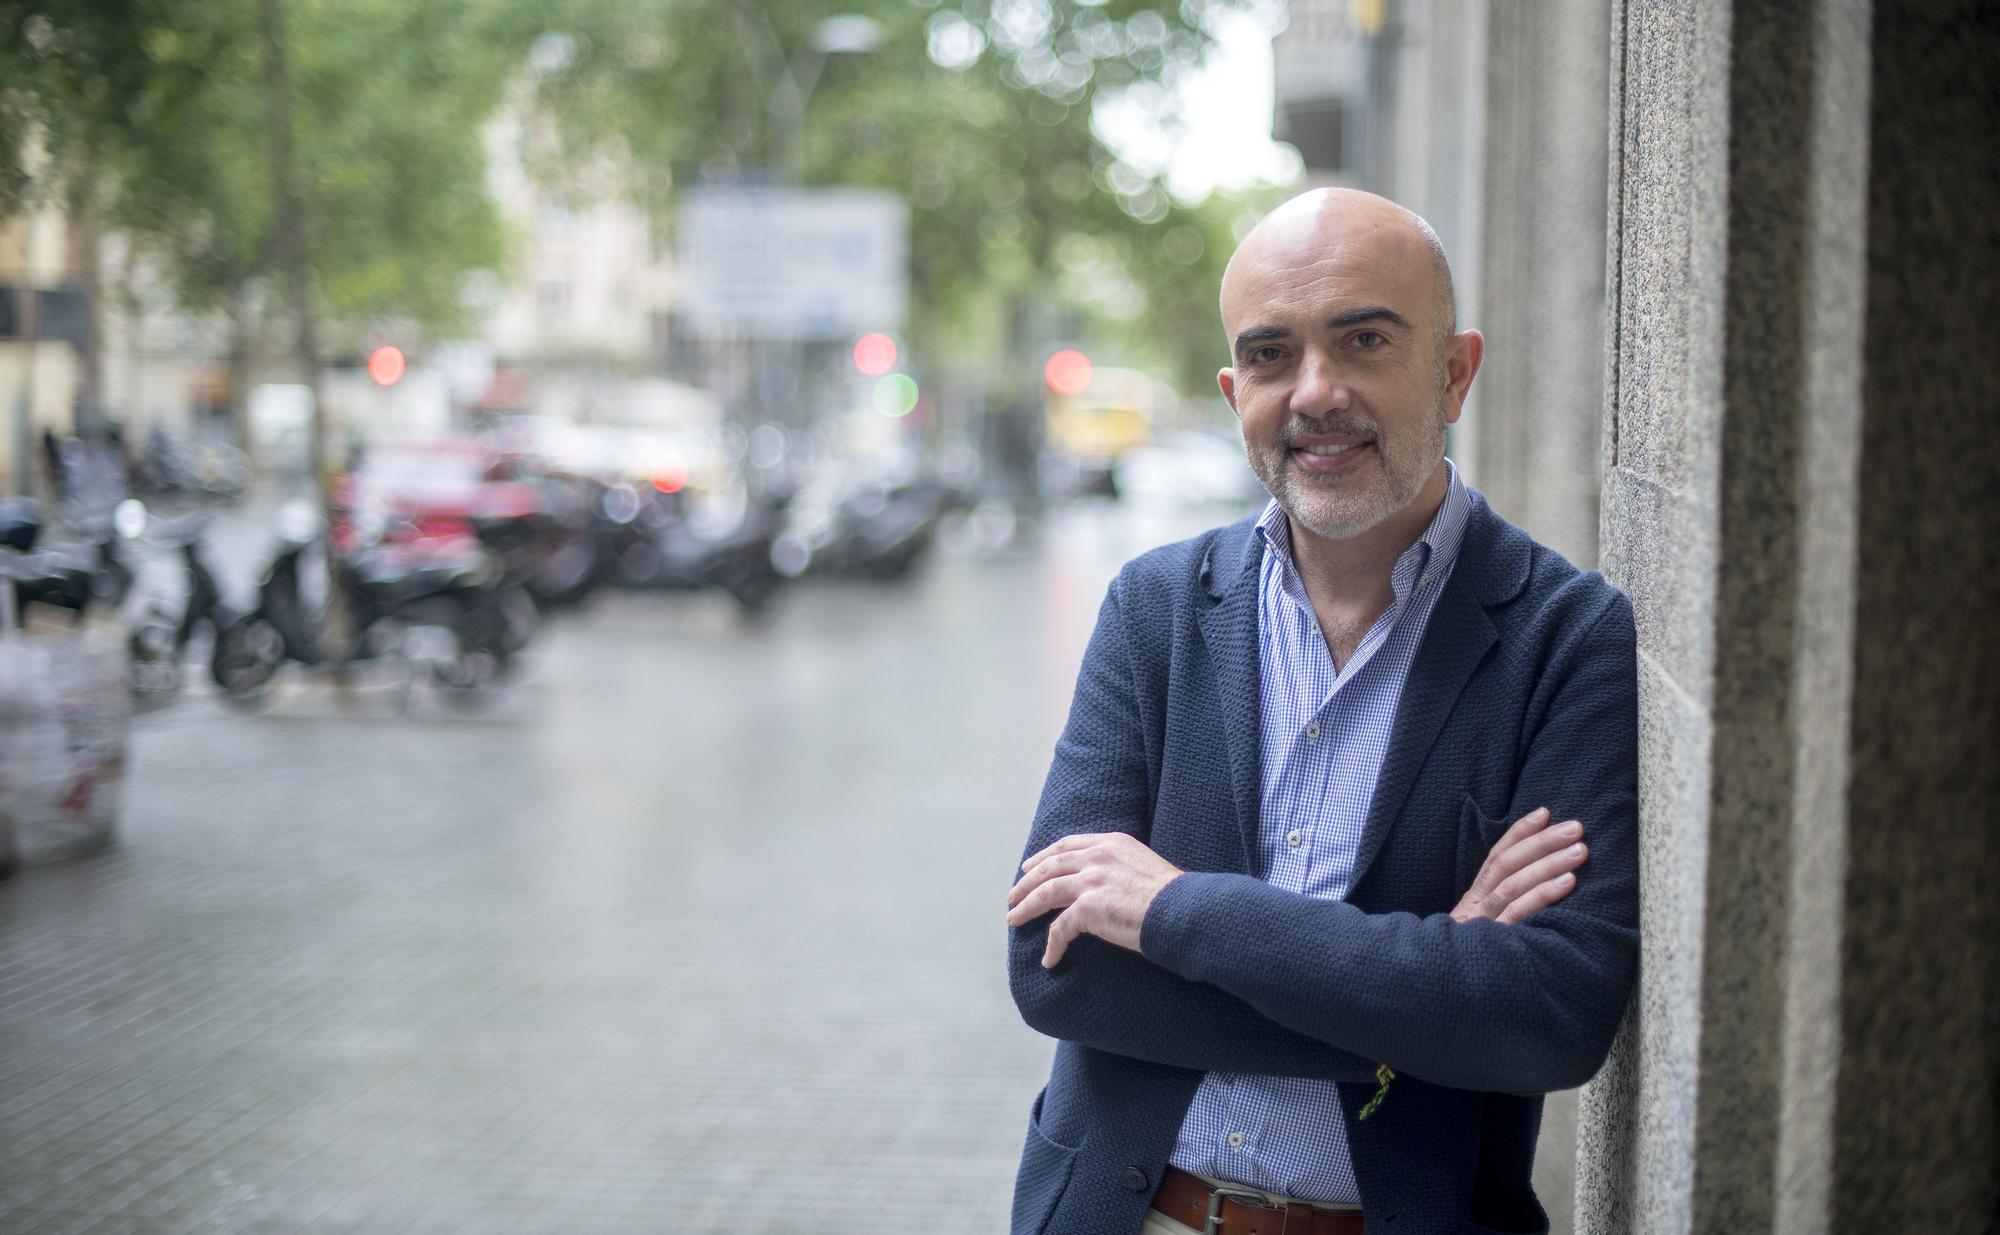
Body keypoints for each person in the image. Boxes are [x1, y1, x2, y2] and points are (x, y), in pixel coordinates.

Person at [1003, 188, 1638, 1235]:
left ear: (1452, 370)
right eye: (1268, 354)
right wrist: (1426, 977)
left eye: (1362, 339)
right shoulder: (1152, 609)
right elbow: (1053, 969)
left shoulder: (1561, 636)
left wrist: (1173, 913)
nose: (1315, 391)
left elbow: (1547, 1015)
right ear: (1230, 389)